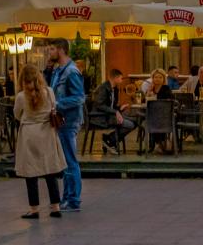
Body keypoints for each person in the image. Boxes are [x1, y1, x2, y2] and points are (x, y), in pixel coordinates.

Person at [12, 63, 64, 220]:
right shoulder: (49, 92)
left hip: (29, 135)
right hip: (47, 133)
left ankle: (34, 209)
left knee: (31, 173)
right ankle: (55, 207)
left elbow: (16, 114)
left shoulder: (21, 96)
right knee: (50, 171)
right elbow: (53, 108)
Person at [44, 39, 85, 213]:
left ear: (61, 50)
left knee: (69, 160)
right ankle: (67, 198)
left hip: (68, 121)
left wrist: (56, 104)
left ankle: (73, 200)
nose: (49, 53)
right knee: (65, 161)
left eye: (51, 49)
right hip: (61, 121)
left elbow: (79, 97)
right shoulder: (57, 70)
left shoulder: (71, 72)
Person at [95, 68, 136, 154]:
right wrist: (115, 112)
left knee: (135, 121)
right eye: (121, 78)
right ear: (115, 78)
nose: (121, 80)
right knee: (130, 125)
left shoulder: (115, 89)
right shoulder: (103, 88)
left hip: (110, 115)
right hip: (101, 117)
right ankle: (110, 140)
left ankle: (109, 139)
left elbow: (112, 106)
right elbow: (99, 105)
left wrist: (120, 108)